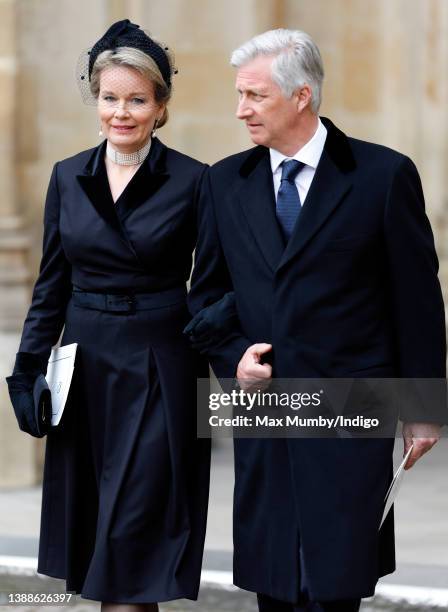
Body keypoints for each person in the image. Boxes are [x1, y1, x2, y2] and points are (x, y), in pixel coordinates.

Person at [187, 29, 446, 612]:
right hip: (264, 406)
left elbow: (418, 300)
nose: (240, 110)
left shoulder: (384, 176)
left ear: (301, 96)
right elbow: (204, 297)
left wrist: (423, 411)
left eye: (254, 95)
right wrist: (233, 358)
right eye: (239, 94)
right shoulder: (224, 182)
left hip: (354, 402)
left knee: (335, 585)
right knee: (274, 583)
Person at [6, 19, 210, 612]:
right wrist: (25, 375)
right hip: (85, 368)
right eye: (110, 98)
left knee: (134, 539)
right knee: (101, 539)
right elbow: (51, 286)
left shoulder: (195, 181)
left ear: (161, 106)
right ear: (96, 101)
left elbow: (216, 285)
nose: (121, 112)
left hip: (161, 367)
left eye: (137, 100)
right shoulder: (67, 177)